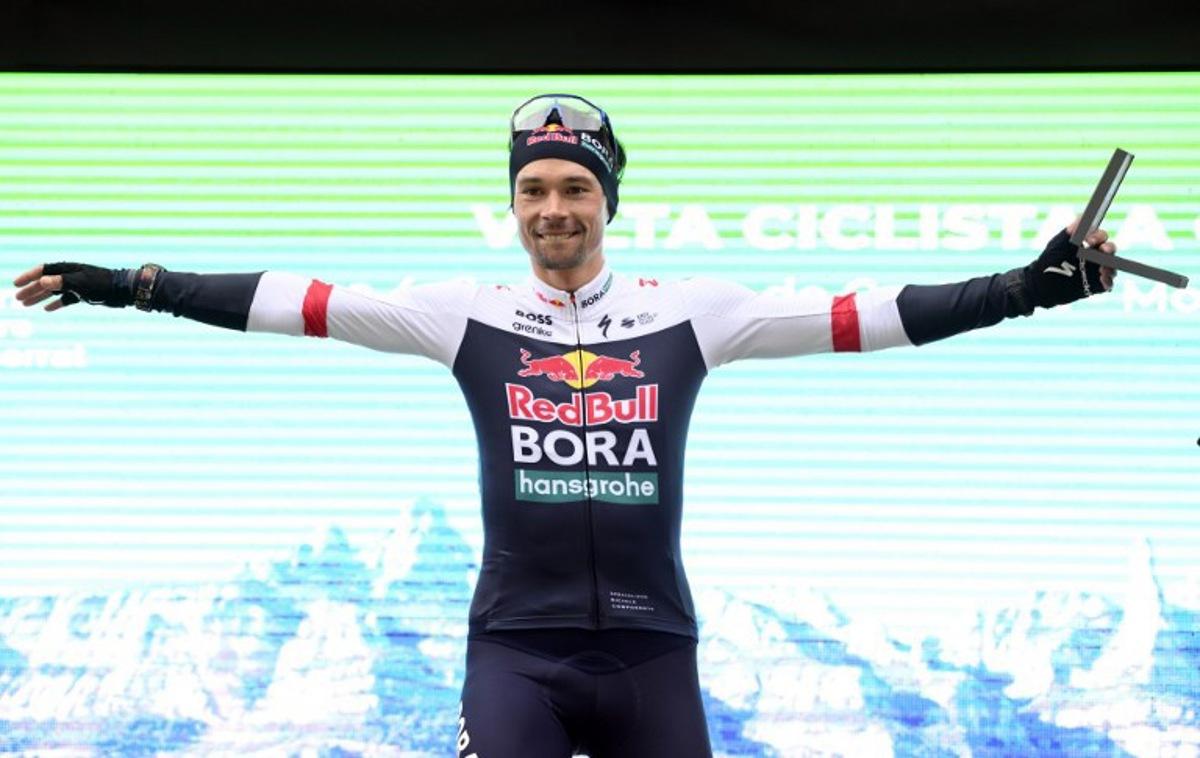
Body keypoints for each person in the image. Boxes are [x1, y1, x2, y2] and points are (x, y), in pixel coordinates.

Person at [11, 93, 1117, 757]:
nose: (553, 208)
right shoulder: (463, 311)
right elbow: (296, 302)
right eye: (534, 188)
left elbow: (866, 318)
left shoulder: (694, 311)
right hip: (517, 653)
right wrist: (131, 285)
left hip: (654, 651)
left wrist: (1029, 287)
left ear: (606, 203)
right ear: (513, 203)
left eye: (575, 190)